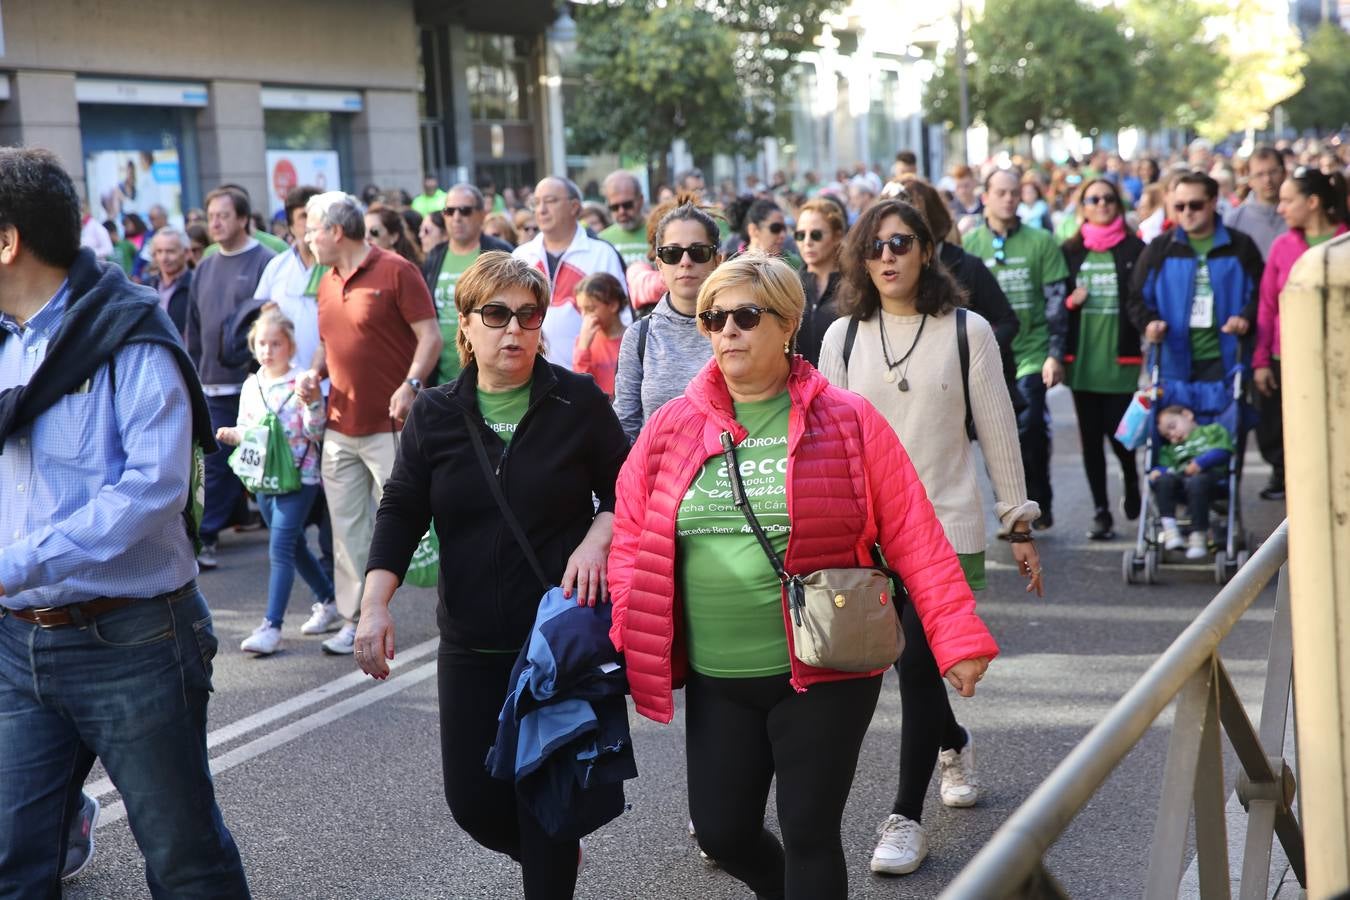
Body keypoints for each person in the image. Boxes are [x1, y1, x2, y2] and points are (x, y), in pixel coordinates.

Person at [608, 252, 999, 900]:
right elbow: (632, 536)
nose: (726, 330)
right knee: (723, 830)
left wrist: (956, 636)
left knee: (809, 829)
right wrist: (629, 625)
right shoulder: (672, 426)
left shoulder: (846, 419)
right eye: (713, 318)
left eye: (743, 315)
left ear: (788, 323)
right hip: (719, 676)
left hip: (826, 669)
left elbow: (913, 532)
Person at [0, 146, 250, 898]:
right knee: (15, 862)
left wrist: (16, 562)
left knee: (185, 861)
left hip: (134, 639)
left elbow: (152, 491)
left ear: (8, 240)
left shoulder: (128, 333)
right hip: (18, 645)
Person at [353, 251, 628, 899]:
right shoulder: (437, 412)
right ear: (466, 326)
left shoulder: (576, 402)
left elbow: (630, 492)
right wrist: (374, 604)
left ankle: (552, 857)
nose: (515, 329)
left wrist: (597, 539)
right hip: (472, 643)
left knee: (547, 811)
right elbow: (401, 509)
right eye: (497, 314)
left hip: (558, 645)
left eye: (529, 316)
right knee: (474, 804)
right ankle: (552, 854)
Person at [816, 200, 1042, 877]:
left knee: (917, 664)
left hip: (945, 524)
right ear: (861, 257)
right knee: (900, 660)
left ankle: (905, 817)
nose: (888, 256)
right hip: (868, 532)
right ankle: (954, 740)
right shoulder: (842, 337)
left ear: (926, 251)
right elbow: (823, 445)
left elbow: (998, 428)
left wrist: (1019, 522)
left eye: (902, 243)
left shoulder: (968, 331)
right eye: (876, 246)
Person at [295, 192, 442, 655]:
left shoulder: (397, 269)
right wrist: (313, 372)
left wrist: (412, 384)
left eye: (312, 229)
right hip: (339, 426)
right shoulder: (324, 279)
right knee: (347, 530)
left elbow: (431, 337)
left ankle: (458, 603)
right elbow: (329, 343)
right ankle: (355, 619)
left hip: (391, 426)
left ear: (336, 231)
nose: (306, 238)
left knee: (423, 525)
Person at [214, 306, 333, 655]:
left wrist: (312, 404)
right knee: (293, 545)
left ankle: (272, 626)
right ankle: (328, 599)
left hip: (300, 476)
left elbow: (316, 430)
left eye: (276, 344)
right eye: (262, 344)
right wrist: (232, 435)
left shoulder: (303, 381)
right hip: (262, 477)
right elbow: (245, 426)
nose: (268, 350)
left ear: (290, 346)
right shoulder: (252, 384)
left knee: (279, 548)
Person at [964, 168, 1070, 529]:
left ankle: (1040, 497)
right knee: (995, 432)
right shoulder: (971, 245)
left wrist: (1055, 352)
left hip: (1031, 351)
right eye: (1001, 192)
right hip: (988, 354)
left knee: (1029, 425)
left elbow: (1056, 301)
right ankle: (1009, 507)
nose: (1008, 198)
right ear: (986, 196)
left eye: (1014, 192)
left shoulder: (1041, 241)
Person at [187, 186, 276, 569]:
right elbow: (193, 326)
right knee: (212, 463)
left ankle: (206, 535)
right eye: (212, 216)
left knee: (229, 463)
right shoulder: (205, 265)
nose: (217, 223)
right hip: (208, 381)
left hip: (249, 384)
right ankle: (217, 527)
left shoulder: (265, 261)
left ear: (244, 218)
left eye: (224, 215)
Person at [1253, 167, 1348, 501]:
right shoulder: (1281, 247)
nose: (1280, 208)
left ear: (1313, 202)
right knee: (1281, 427)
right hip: (1287, 356)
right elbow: (1267, 305)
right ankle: (1288, 479)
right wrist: (1261, 360)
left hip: (1338, 360)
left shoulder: (1344, 243)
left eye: (1287, 200)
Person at [1060, 178, 1146, 540]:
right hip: (1082, 363)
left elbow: (1143, 298)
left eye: (1108, 198)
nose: (1102, 204)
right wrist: (1070, 302)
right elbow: (1055, 303)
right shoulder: (1069, 251)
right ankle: (1101, 511)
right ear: (1083, 206)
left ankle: (1130, 478)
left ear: (1118, 205)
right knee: (1091, 441)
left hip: (1120, 361)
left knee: (1121, 436)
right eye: (1093, 199)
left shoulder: (1134, 249)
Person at [1128, 172, 1262, 389]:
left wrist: (1245, 318)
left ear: (1213, 202)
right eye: (1180, 206)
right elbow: (1136, 296)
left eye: (1195, 205)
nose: (1187, 213)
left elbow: (1260, 294)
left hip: (1227, 360)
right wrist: (1148, 323)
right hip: (1172, 362)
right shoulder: (1160, 248)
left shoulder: (1241, 245)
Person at [613, 194, 722, 441]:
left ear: (717, 260)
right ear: (659, 263)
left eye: (698, 252)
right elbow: (625, 427)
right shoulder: (639, 335)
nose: (685, 262)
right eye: (672, 253)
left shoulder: (740, 326)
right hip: (658, 475)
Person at [512, 176, 628, 370]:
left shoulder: (602, 253)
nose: (541, 210)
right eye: (536, 202)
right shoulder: (520, 256)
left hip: (590, 378)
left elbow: (623, 320)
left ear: (574, 207)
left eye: (550, 201)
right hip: (530, 378)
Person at [422, 183, 515, 386]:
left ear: (482, 214)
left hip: (492, 377)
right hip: (442, 378)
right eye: (449, 211)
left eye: (465, 210)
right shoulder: (434, 256)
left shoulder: (500, 252)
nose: (457, 217)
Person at [1152, 404, 1235, 559]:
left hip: (1211, 478)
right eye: (1168, 436)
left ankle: (1198, 535)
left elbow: (1224, 450)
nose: (1173, 435)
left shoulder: (1212, 430)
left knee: (1197, 482)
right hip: (1181, 481)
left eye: (1173, 426)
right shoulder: (1170, 449)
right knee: (1162, 481)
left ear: (1188, 415)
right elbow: (1165, 467)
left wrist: (1200, 463)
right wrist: (1158, 472)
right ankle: (1170, 529)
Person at [793, 198, 846, 365]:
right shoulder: (789, 286)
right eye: (800, 235)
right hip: (797, 387)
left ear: (837, 236)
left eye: (816, 235)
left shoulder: (854, 287)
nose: (807, 242)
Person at [1225, 147, 1287, 259]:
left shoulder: (1299, 214)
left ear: (1284, 173)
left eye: (1273, 172)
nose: (1267, 179)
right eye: (1259, 174)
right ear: (1250, 180)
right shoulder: (1234, 220)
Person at [573, 272, 628, 399]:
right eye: (581, 309)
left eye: (590, 309)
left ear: (613, 305)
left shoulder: (632, 338)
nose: (584, 316)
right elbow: (580, 386)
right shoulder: (584, 341)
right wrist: (583, 347)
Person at [147, 227, 193, 338]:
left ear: (186, 253)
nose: (164, 258)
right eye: (159, 251)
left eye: (170, 251)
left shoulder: (197, 285)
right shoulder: (146, 288)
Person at [598, 171, 649, 266]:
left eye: (627, 205)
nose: (621, 212)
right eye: (615, 207)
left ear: (641, 200)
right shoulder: (602, 241)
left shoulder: (662, 233)